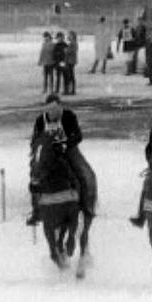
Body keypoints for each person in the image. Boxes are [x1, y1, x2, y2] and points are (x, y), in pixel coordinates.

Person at [27, 94, 97, 225]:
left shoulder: (69, 117)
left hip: (68, 150)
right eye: (48, 109)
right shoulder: (40, 121)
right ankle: (36, 210)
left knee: (85, 173)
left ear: (60, 106)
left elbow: (78, 136)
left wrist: (65, 145)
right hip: (48, 154)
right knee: (35, 174)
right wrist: (37, 151)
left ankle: (86, 204)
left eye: (54, 109)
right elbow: (35, 139)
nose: (51, 113)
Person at [64, 31, 78, 95]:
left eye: (70, 35)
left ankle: (71, 90)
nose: (68, 36)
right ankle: (71, 90)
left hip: (71, 61)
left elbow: (71, 51)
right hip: (70, 61)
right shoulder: (72, 43)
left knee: (70, 75)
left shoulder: (73, 43)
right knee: (71, 75)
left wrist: (66, 50)